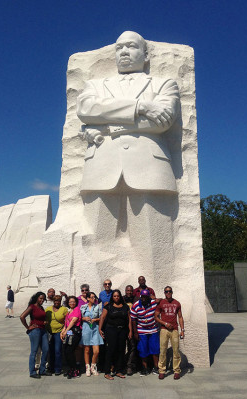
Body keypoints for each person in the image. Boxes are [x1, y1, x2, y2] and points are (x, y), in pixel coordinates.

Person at [77, 31, 180, 282]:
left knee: (154, 244)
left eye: (131, 46)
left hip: (149, 166)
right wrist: (141, 107)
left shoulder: (164, 84)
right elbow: (86, 109)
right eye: (119, 47)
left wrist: (108, 125)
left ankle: (157, 301)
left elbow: (162, 122)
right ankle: (92, 306)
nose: (123, 51)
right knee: (96, 242)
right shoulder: (96, 85)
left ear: (145, 55)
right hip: (102, 166)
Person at [99, 289, 132, 380]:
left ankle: (118, 370)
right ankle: (107, 372)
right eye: (114, 296)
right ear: (112, 297)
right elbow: (102, 317)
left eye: (118, 296)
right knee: (110, 350)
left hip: (122, 330)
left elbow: (129, 319)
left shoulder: (125, 306)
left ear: (120, 296)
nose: (116, 297)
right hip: (111, 330)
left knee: (121, 350)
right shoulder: (108, 306)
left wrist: (130, 331)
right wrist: (100, 329)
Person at [155, 286, 184, 380]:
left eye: (169, 291)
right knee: (163, 350)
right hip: (164, 329)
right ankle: (162, 370)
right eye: (166, 291)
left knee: (176, 351)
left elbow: (180, 317)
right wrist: (165, 323)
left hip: (174, 329)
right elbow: (156, 316)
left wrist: (182, 330)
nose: (168, 293)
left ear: (172, 292)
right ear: (164, 293)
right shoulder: (161, 303)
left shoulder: (177, 303)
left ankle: (176, 370)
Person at [20, 292, 50, 378]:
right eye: (40, 298)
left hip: (43, 329)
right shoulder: (32, 307)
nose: (42, 300)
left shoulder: (41, 307)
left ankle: (42, 370)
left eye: (43, 299)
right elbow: (22, 317)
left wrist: (44, 322)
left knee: (46, 349)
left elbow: (40, 318)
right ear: (37, 298)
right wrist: (28, 327)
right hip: (35, 331)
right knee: (34, 351)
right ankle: (32, 372)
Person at [130, 289, 159, 376]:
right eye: (142, 297)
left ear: (149, 297)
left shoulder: (153, 303)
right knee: (143, 349)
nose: (144, 298)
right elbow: (133, 320)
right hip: (142, 330)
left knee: (155, 349)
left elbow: (162, 300)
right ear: (140, 296)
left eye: (146, 297)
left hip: (153, 329)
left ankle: (156, 367)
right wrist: (135, 332)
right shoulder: (135, 305)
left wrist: (157, 299)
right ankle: (144, 368)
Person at [80, 292, 103, 376]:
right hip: (86, 329)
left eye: (94, 297)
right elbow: (79, 318)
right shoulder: (83, 307)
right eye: (92, 297)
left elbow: (101, 318)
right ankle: (87, 367)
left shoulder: (97, 307)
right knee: (87, 349)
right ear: (88, 298)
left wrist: (95, 320)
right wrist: (84, 318)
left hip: (94, 329)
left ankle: (93, 366)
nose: (94, 299)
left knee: (96, 351)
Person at [45, 295, 68, 375]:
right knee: (50, 350)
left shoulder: (64, 309)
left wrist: (64, 330)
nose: (57, 302)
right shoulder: (48, 309)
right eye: (55, 300)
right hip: (49, 332)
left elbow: (67, 320)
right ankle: (51, 368)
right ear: (53, 301)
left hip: (59, 332)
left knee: (57, 350)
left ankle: (58, 368)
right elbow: (45, 319)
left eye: (58, 300)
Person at [61, 296, 82, 379]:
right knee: (66, 351)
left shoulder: (77, 310)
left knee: (70, 350)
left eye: (73, 301)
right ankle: (71, 368)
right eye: (70, 302)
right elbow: (66, 323)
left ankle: (75, 370)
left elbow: (73, 321)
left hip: (75, 333)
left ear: (76, 302)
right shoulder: (68, 312)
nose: (72, 303)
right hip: (69, 333)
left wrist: (66, 331)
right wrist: (62, 332)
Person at [123, 285, 137, 375]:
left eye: (131, 291)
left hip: (133, 326)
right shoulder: (121, 299)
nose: (129, 292)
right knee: (121, 347)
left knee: (132, 346)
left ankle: (129, 366)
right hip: (122, 326)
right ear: (125, 291)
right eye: (127, 290)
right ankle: (120, 365)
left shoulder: (136, 299)